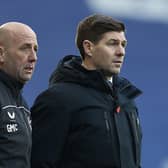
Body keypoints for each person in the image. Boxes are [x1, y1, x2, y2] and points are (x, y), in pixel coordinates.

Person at [31, 14, 142, 168]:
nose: (121, 51)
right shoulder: (57, 100)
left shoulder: (127, 100)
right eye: (112, 43)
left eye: (123, 44)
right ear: (88, 47)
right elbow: (39, 162)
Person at [0, 22, 38, 168]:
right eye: (25, 48)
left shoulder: (21, 104)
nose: (33, 57)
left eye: (35, 49)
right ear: (1, 54)